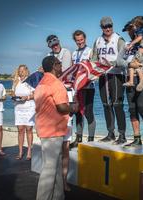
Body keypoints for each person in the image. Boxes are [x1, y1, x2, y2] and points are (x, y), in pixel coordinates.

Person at [35, 56, 73, 200]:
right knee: (49, 170)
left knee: (55, 166)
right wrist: (73, 108)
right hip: (53, 130)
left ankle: (58, 196)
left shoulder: (41, 83)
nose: (61, 66)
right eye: (59, 63)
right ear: (53, 65)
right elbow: (62, 107)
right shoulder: (56, 83)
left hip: (44, 128)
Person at [116, 20, 143, 150]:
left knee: (142, 108)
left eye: (130, 29)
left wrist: (141, 42)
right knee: (132, 109)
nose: (129, 32)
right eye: (127, 30)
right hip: (130, 78)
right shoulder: (127, 44)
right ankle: (137, 139)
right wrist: (129, 65)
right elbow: (118, 60)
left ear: (135, 29)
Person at [91, 16, 127, 144]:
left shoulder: (119, 39)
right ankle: (110, 133)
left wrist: (111, 63)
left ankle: (122, 135)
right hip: (102, 76)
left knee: (117, 105)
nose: (108, 28)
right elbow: (93, 58)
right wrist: (93, 70)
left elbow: (124, 59)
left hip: (116, 75)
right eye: (105, 26)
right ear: (101, 27)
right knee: (106, 105)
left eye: (110, 26)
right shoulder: (97, 41)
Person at [46, 34, 72, 191]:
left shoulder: (67, 52)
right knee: (55, 149)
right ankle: (55, 182)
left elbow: (65, 72)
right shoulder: (48, 56)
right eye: (52, 45)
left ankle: (64, 180)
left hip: (66, 92)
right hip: (54, 100)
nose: (55, 47)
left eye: (56, 44)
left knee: (66, 147)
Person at [69, 30, 96, 148]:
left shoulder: (90, 51)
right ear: (75, 41)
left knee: (88, 112)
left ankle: (91, 140)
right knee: (78, 113)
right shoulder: (74, 53)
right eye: (77, 40)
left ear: (85, 39)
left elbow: (93, 68)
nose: (80, 42)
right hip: (77, 88)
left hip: (89, 87)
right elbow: (72, 70)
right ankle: (78, 139)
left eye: (81, 39)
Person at [11, 65, 35, 160]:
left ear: (26, 71)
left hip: (29, 107)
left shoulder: (31, 80)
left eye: (23, 70)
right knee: (20, 130)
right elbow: (12, 92)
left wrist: (27, 97)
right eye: (19, 70)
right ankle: (20, 152)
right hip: (18, 108)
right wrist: (13, 96)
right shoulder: (16, 81)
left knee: (29, 129)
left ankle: (29, 151)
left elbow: (35, 94)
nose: (21, 72)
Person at [123, 16, 143, 92]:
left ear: (138, 25)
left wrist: (131, 44)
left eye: (133, 27)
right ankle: (131, 81)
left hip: (142, 52)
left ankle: (141, 80)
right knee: (133, 66)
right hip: (142, 52)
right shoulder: (142, 32)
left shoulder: (140, 31)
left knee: (133, 65)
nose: (129, 32)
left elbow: (139, 38)